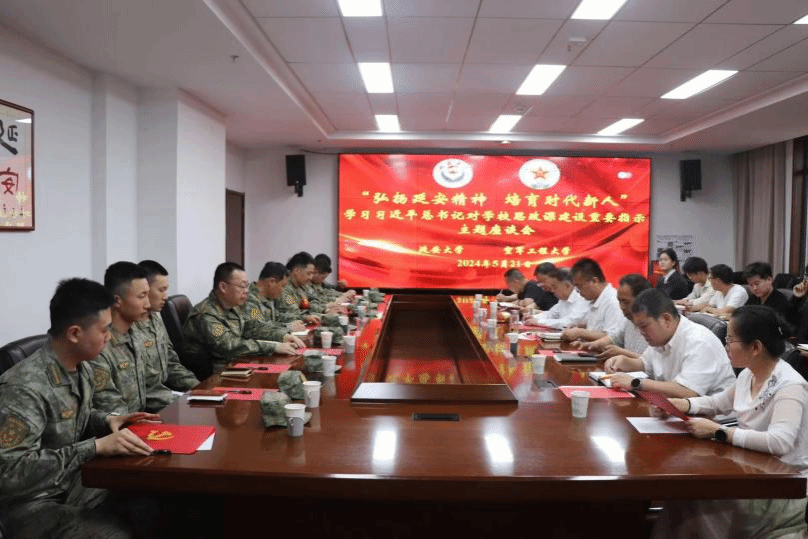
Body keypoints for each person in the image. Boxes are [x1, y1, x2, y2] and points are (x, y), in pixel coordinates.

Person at [0, 278, 157, 538]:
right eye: (104, 330)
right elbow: (9, 472)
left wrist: (107, 421)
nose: (109, 337)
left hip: (73, 485)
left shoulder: (80, 367)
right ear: (74, 333)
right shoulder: (23, 388)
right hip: (33, 505)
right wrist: (94, 447)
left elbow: (69, 420)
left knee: (155, 499)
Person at [656, 306, 808, 539]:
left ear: (755, 347)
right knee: (681, 496)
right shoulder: (749, 373)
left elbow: (780, 442)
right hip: (752, 469)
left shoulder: (789, 386)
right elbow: (718, 403)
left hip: (782, 485)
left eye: (730, 340)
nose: (726, 346)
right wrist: (684, 404)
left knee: (692, 496)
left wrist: (719, 432)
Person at [90, 261, 191, 414]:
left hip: (147, 415)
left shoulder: (135, 335)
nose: (148, 304)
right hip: (127, 424)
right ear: (117, 300)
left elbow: (152, 387)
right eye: (142, 296)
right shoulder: (101, 345)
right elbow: (112, 410)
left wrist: (194, 396)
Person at [605, 289, 736, 398]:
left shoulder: (699, 341)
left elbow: (687, 391)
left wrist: (636, 383)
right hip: (677, 409)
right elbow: (646, 364)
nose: (641, 332)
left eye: (644, 326)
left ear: (666, 319)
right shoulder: (662, 337)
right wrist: (625, 362)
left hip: (712, 418)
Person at [183, 262, 299, 374]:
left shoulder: (233, 307)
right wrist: (272, 347)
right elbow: (229, 345)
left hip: (236, 364)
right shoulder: (206, 314)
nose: (247, 291)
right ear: (223, 287)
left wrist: (282, 336)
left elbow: (252, 328)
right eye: (242, 286)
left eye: (247, 286)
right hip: (214, 374)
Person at [135, 260, 199, 395]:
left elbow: (171, 363)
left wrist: (198, 387)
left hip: (165, 394)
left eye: (166, 289)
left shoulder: (155, 321)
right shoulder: (128, 329)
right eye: (161, 290)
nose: (165, 296)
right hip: (151, 400)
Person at [580, 274, 650, 360]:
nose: (622, 307)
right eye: (620, 302)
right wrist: (591, 345)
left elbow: (653, 362)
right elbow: (614, 339)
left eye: (626, 302)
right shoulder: (628, 321)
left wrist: (622, 353)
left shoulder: (654, 325)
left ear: (642, 300)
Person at [561, 258, 624, 343]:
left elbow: (612, 337)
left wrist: (580, 332)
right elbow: (597, 327)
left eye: (580, 287)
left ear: (594, 281)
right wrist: (579, 327)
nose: (579, 292)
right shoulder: (595, 298)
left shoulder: (612, 301)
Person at [243, 261, 307, 337]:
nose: (283, 290)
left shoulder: (269, 297)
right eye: (282, 286)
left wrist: (302, 318)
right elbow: (256, 329)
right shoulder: (249, 299)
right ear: (272, 282)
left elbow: (277, 317)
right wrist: (288, 328)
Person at [744, 261, 796, 331]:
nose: (754, 288)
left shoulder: (780, 301)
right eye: (751, 285)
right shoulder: (753, 298)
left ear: (769, 280)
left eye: (757, 284)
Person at [276, 252, 322, 324]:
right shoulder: (284, 287)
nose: (310, 278)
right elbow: (295, 313)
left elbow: (311, 304)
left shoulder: (301, 286)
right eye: (308, 273)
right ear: (296, 270)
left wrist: (326, 309)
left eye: (312, 274)